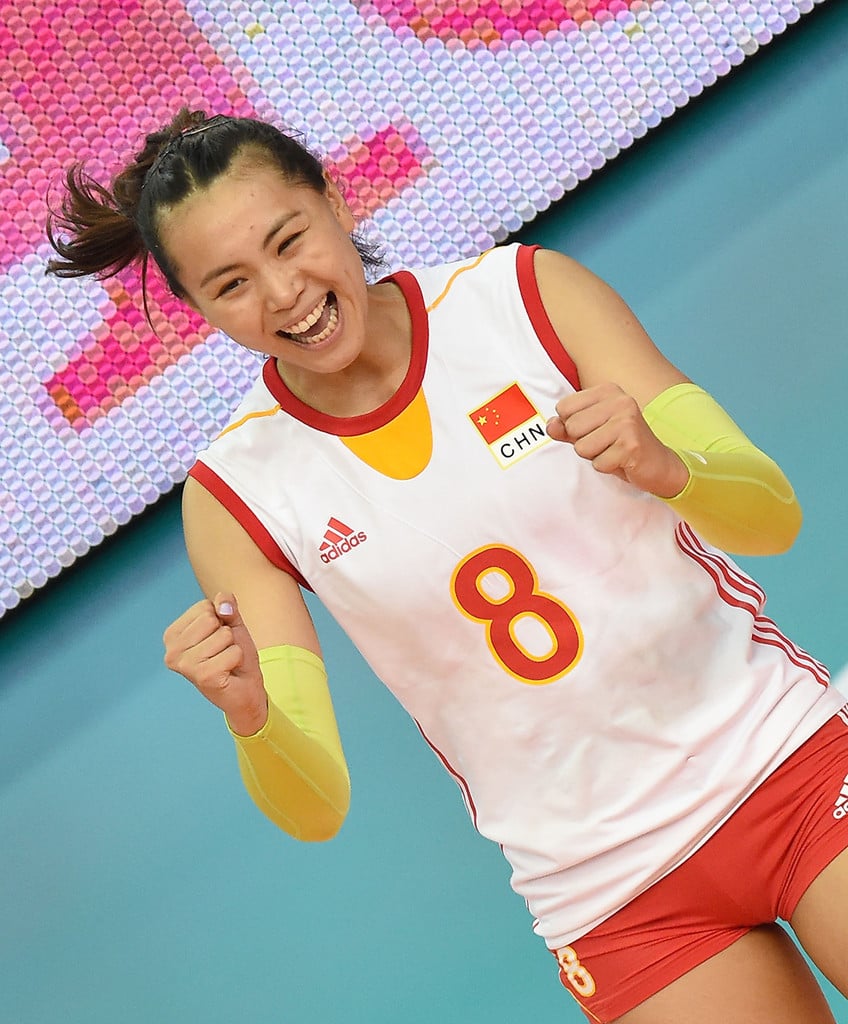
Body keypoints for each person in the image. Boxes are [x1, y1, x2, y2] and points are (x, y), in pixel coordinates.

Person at [46, 108, 848, 1024]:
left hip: (785, 762)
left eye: (288, 239)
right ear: (198, 312)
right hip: (612, 895)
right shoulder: (236, 495)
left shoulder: (525, 298)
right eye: (231, 284)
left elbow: (771, 515)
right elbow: (315, 806)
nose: (283, 292)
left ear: (335, 199)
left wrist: (670, 468)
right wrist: (250, 716)